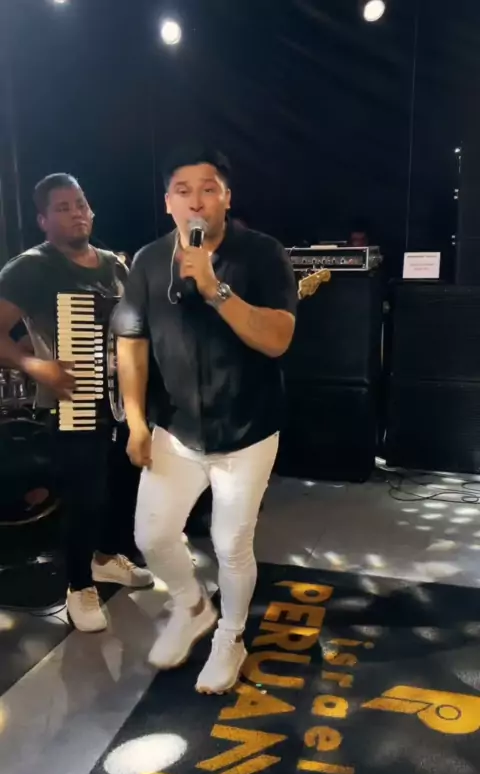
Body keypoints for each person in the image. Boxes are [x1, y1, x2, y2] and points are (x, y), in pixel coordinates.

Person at [114, 146, 297, 694]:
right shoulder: (149, 261)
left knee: (230, 543)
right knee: (151, 535)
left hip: (246, 430)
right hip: (175, 430)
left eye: (208, 189)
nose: (196, 201)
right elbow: (131, 344)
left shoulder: (262, 254)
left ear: (227, 198)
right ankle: (191, 604)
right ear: (168, 202)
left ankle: (231, 636)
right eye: (184, 191)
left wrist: (215, 288)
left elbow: (278, 339)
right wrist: (137, 422)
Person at [0, 173, 152, 631]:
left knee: (123, 486)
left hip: (121, 400)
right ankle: (78, 586)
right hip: (69, 400)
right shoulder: (30, 269)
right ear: (43, 220)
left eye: (81, 204)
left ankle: (106, 558)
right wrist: (35, 365)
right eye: (62, 207)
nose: (76, 214)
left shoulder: (114, 266)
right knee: (84, 497)